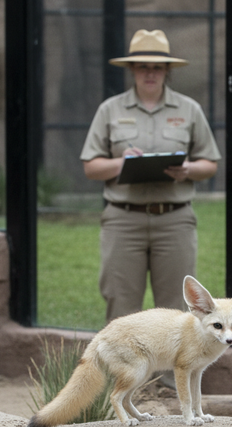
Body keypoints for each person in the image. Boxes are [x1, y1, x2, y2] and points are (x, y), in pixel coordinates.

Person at [80, 29, 221, 323]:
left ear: (167, 70)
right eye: (143, 66)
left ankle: (171, 358)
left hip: (174, 221)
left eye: (157, 67)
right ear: (132, 69)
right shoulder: (110, 110)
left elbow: (209, 163)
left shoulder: (189, 109)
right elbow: (91, 167)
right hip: (123, 220)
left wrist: (187, 170)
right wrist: (121, 163)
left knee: (176, 313)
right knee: (120, 307)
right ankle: (121, 357)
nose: (150, 73)